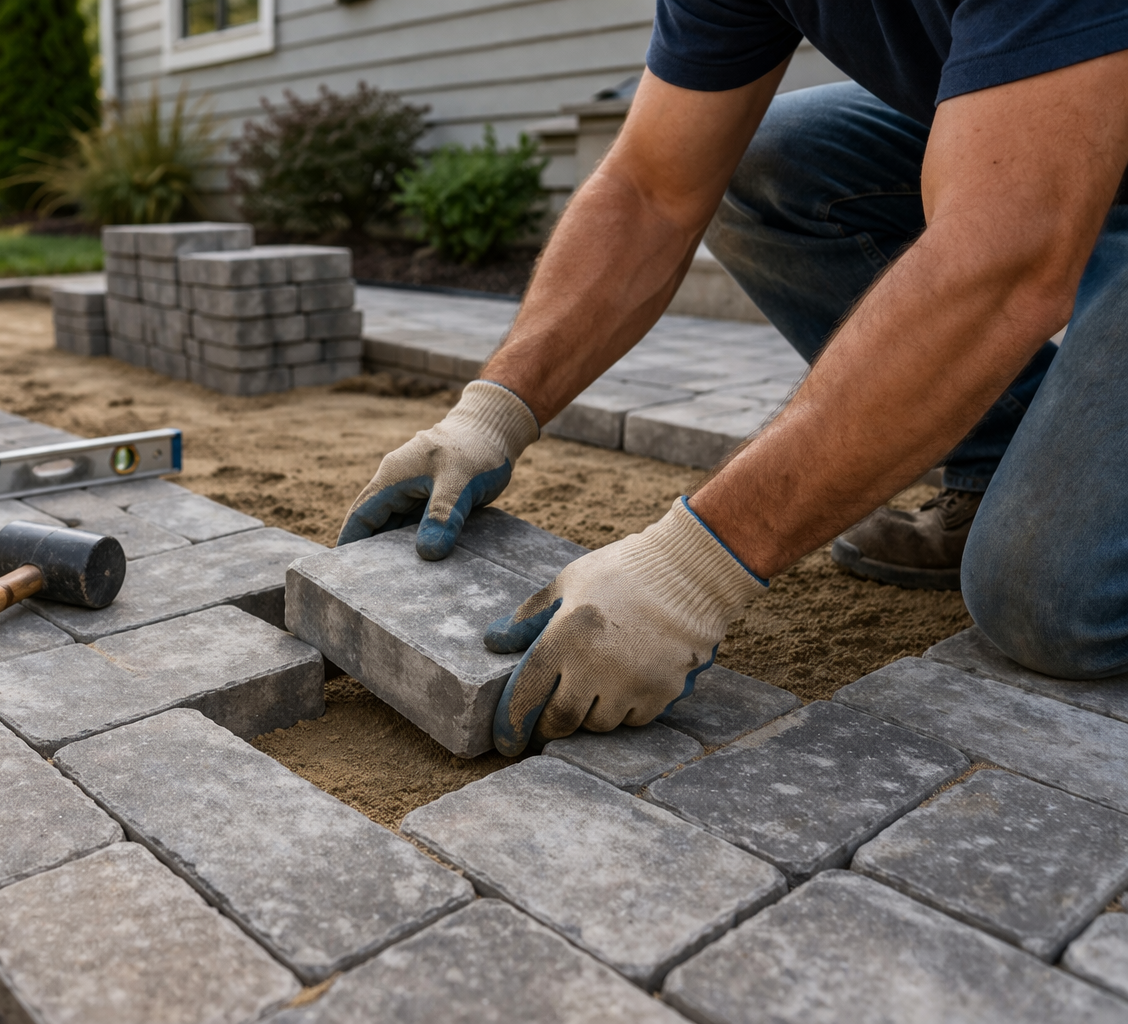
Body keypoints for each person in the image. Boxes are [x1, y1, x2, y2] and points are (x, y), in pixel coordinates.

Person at [338, 2, 1128, 756]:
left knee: (1048, 603)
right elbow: (652, 187)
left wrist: (693, 568)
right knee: (770, 158)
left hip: (1068, 156)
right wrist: (492, 413)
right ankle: (999, 468)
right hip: (1053, 128)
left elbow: (1008, 250)